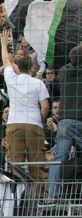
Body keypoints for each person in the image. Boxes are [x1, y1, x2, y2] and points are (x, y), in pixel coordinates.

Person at [0, 29, 50, 185]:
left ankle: (15, 198)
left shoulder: (11, 79)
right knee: (36, 164)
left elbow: (6, 61)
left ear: (18, 67)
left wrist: (3, 45)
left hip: (15, 124)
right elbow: (45, 106)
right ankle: (39, 200)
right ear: (33, 68)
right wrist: (40, 121)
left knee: (15, 162)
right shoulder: (38, 83)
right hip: (34, 124)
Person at [47, 44, 82, 201]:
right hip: (81, 120)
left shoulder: (63, 71)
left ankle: (52, 194)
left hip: (65, 121)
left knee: (58, 158)